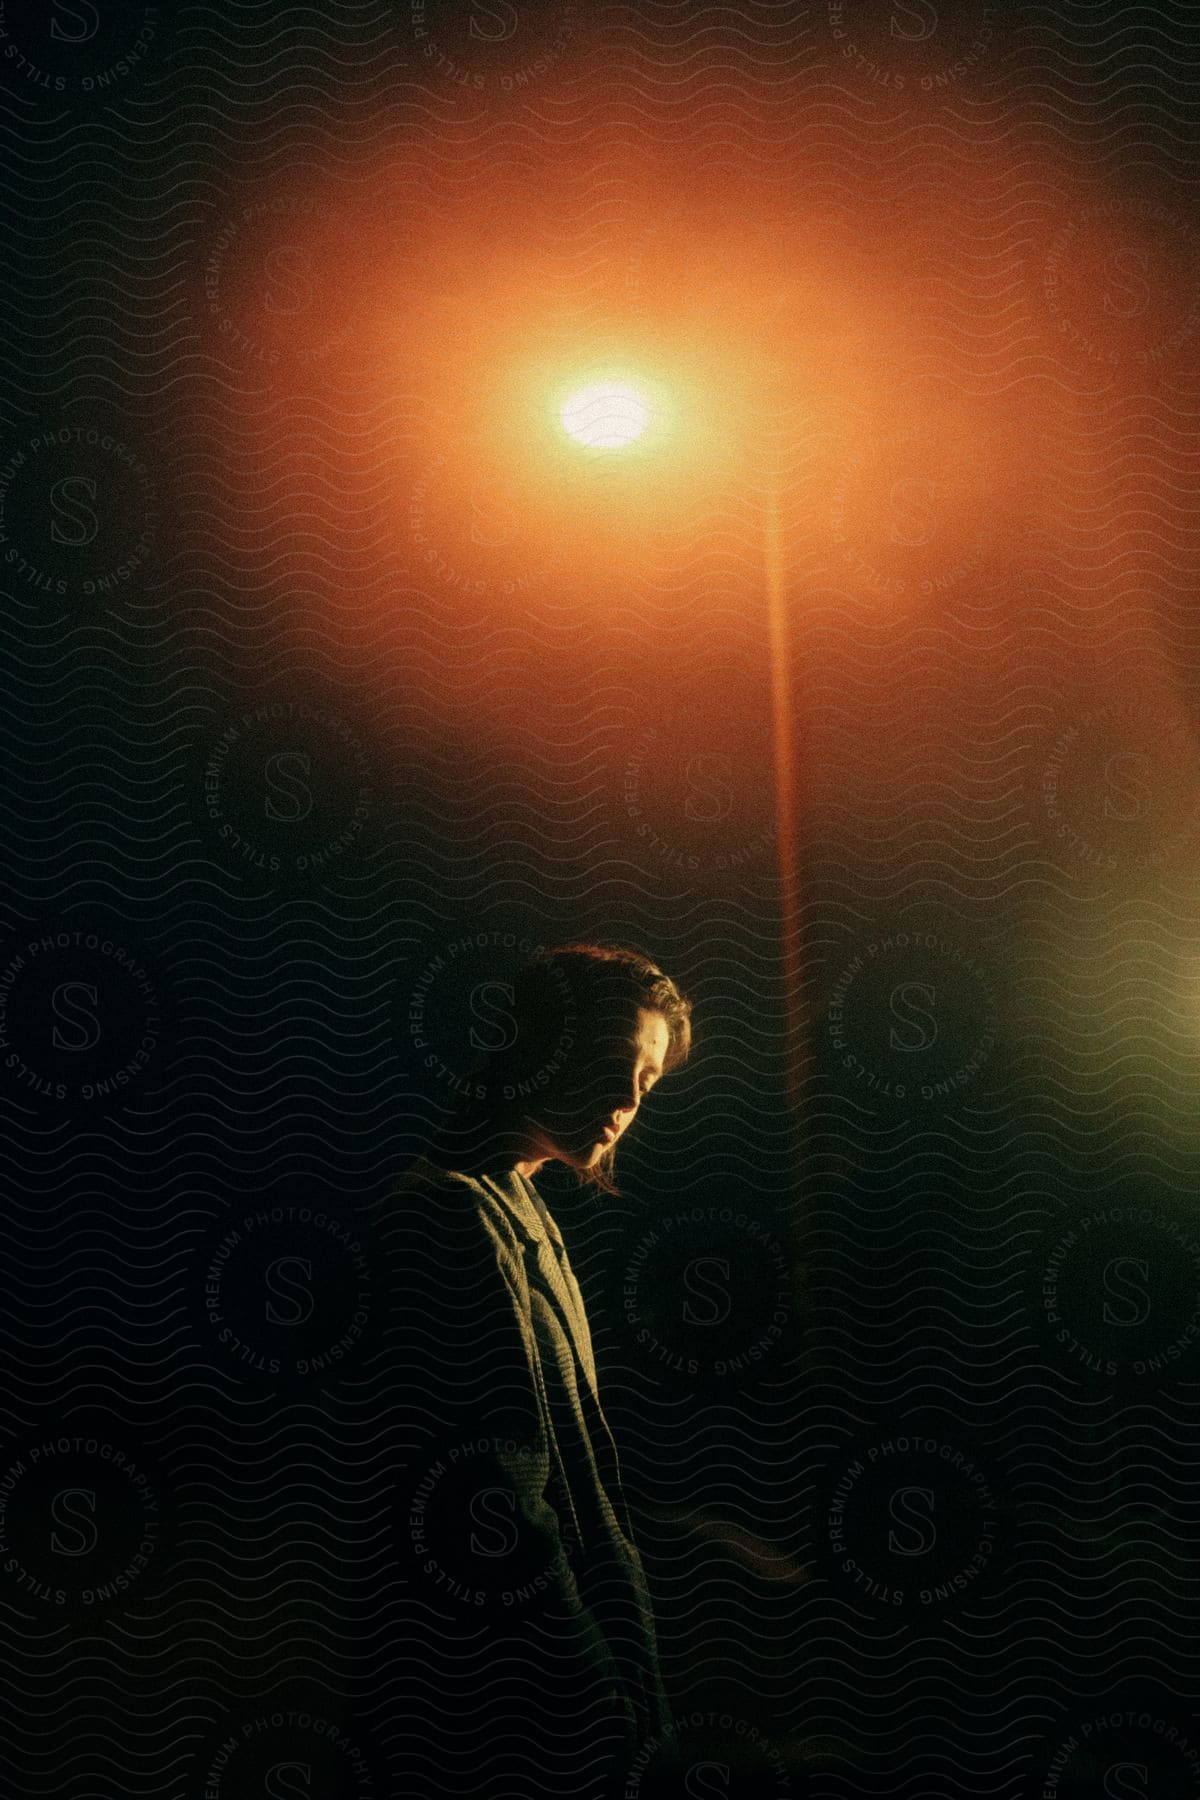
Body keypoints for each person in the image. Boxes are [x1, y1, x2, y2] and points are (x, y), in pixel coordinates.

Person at [378, 942, 694, 1798]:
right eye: (611, 1061)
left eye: (651, 1079)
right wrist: (599, 1709)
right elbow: (493, 1507)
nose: (631, 1099)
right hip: (514, 1736)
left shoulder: (523, 1208)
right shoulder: (452, 1215)